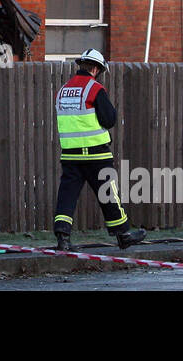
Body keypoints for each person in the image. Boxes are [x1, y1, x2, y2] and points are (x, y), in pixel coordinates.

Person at [52, 49, 147, 251]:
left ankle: (62, 237)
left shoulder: (62, 90)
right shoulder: (94, 89)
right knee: (108, 193)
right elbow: (109, 119)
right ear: (95, 69)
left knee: (67, 194)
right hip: (96, 154)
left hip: (70, 154)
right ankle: (123, 235)